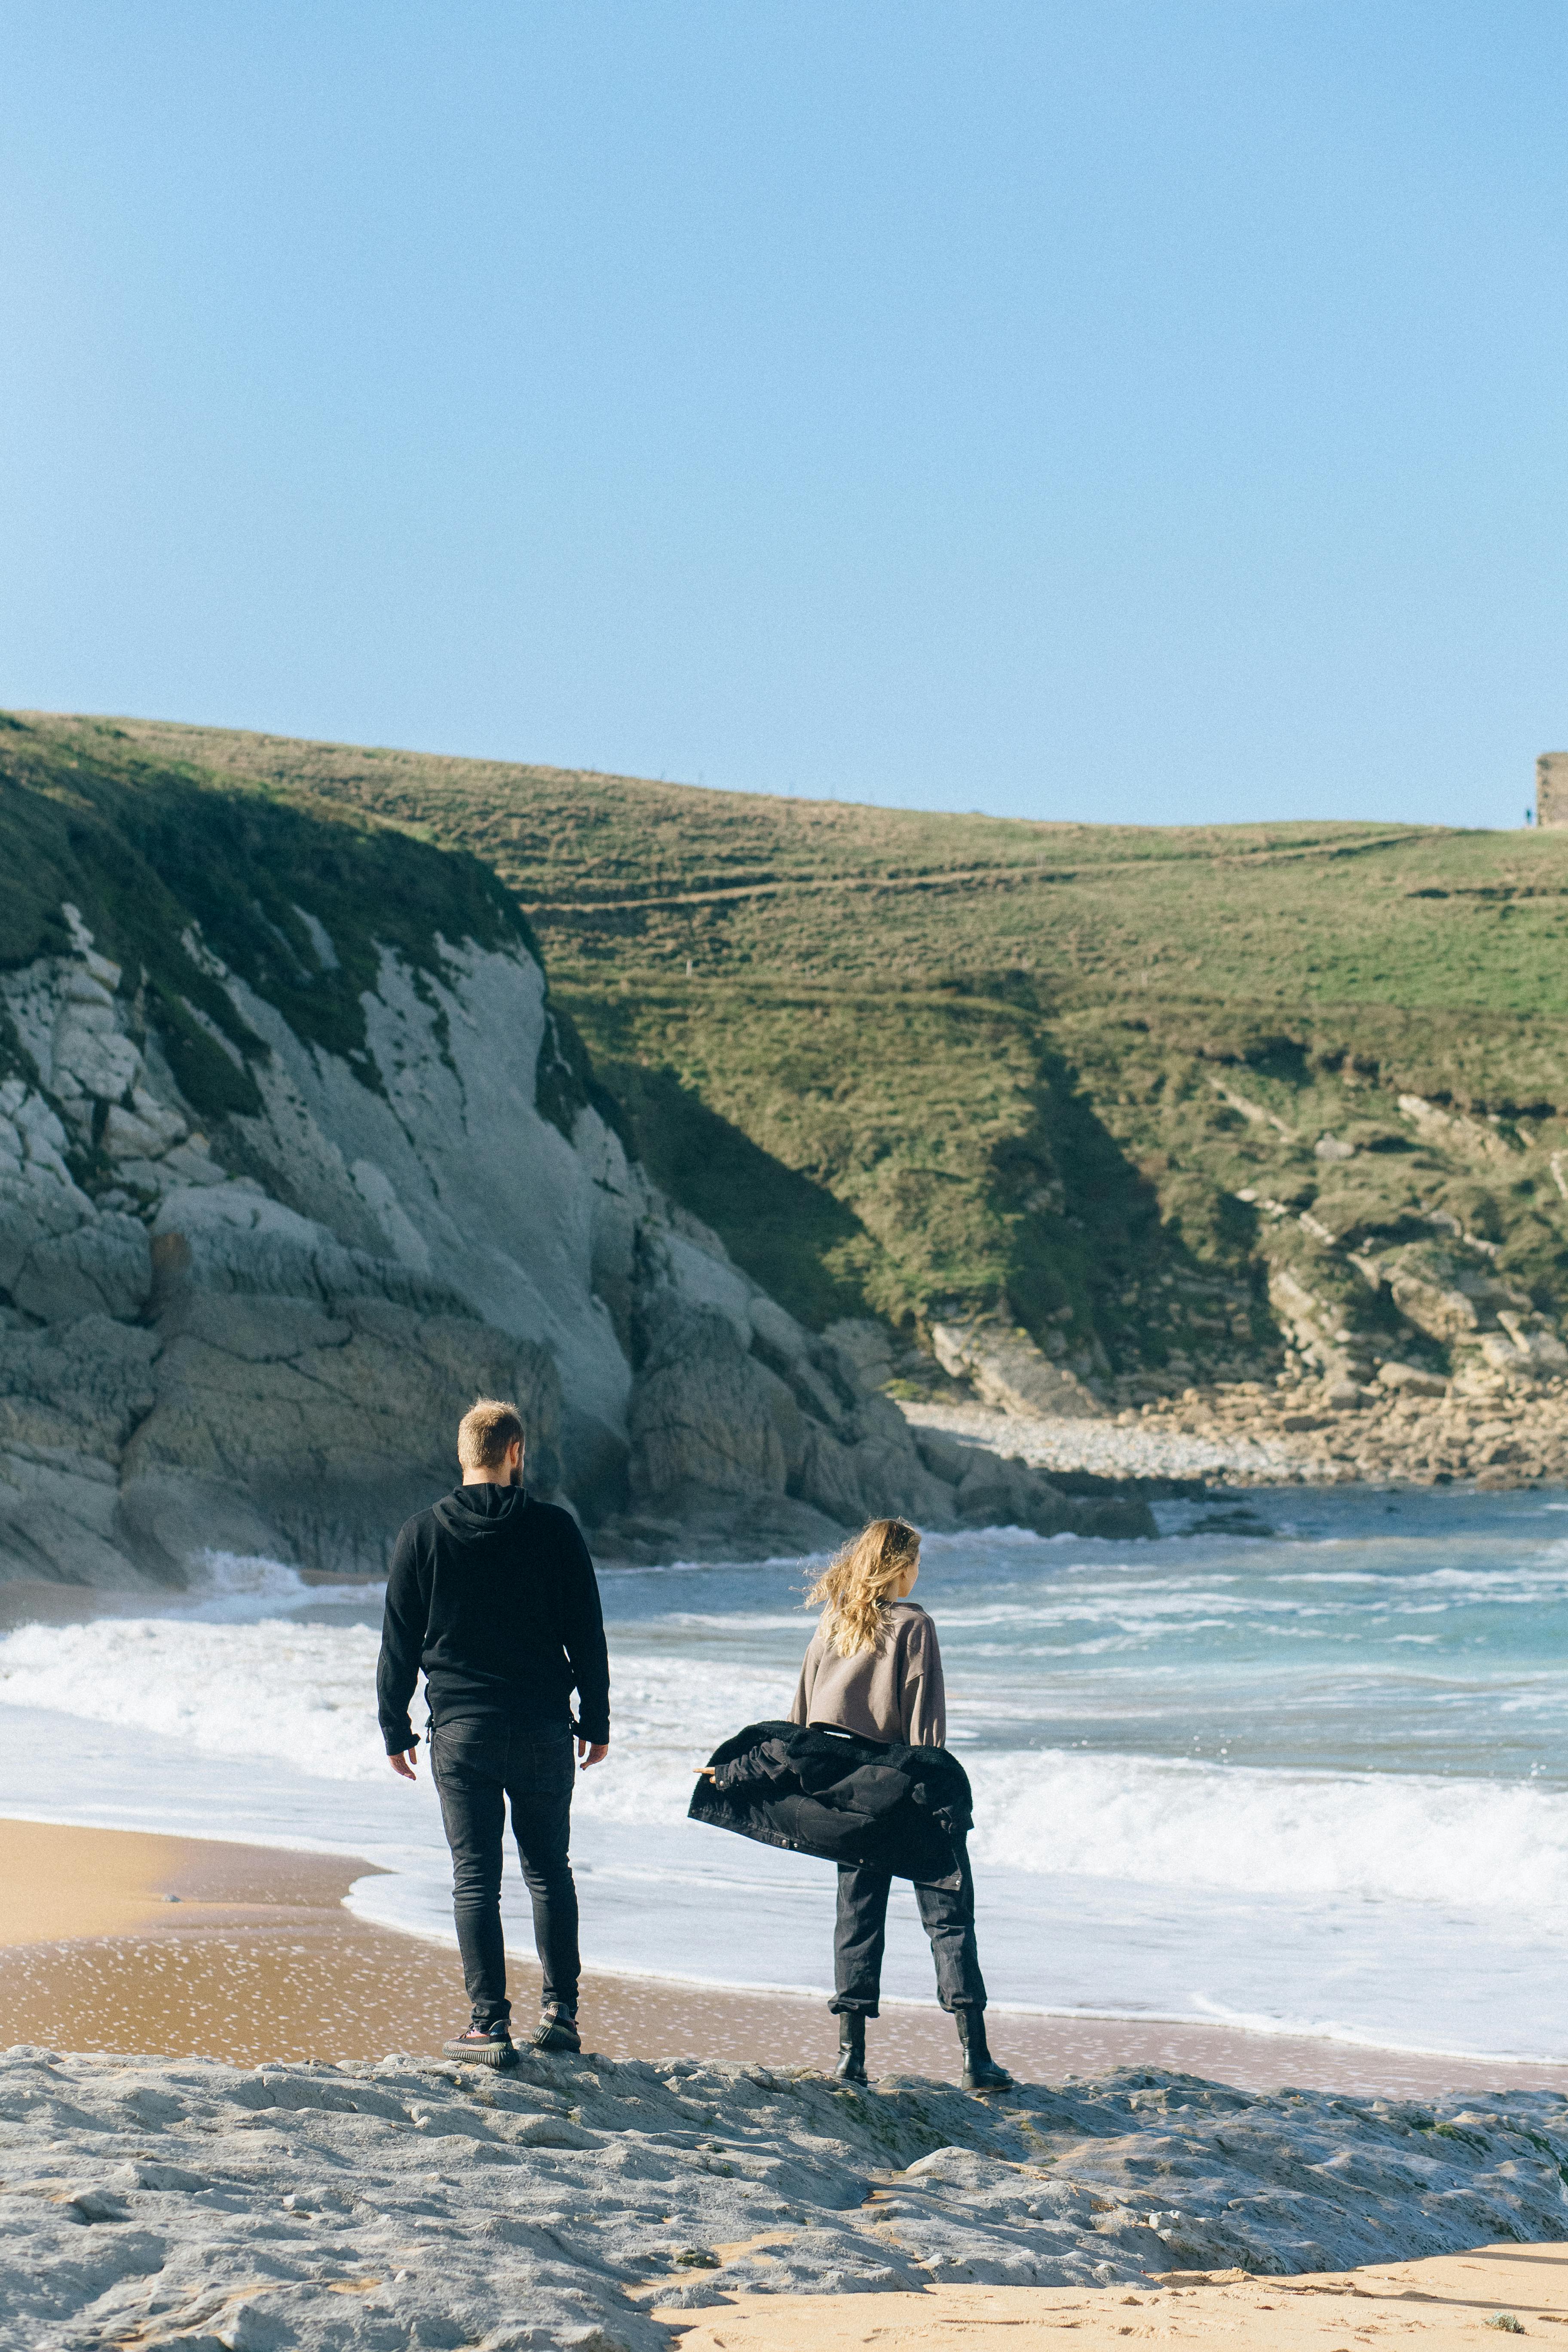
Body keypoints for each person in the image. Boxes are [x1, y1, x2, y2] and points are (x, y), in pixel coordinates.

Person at [377, 1395, 610, 2067]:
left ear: (464, 1456)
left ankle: (489, 2026)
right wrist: (596, 1720)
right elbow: (587, 1636)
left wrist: (395, 1728)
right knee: (548, 1872)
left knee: (475, 1877)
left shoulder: (421, 1534)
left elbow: (398, 1642)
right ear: (515, 1454)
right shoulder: (557, 1530)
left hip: (462, 1730)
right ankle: (560, 2016)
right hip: (541, 1726)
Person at [789, 1516, 1013, 2092]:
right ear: (898, 1567)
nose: (918, 1573)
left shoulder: (833, 1623)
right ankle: (976, 2060)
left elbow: (800, 1718)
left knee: (856, 1920)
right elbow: (925, 1724)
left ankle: (851, 2059)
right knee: (948, 1916)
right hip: (903, 1784)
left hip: (847, 1794)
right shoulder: (915, 1625)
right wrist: (933, 1792)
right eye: (915, 1562)